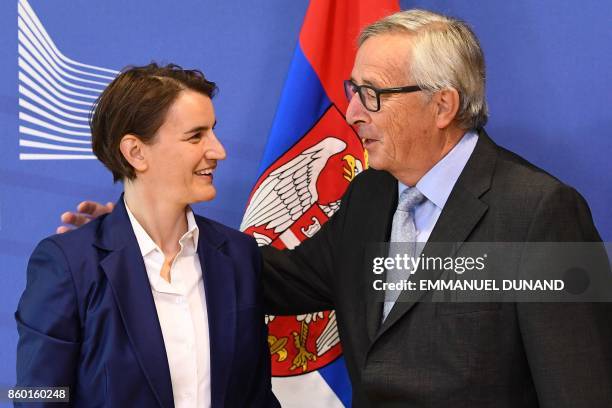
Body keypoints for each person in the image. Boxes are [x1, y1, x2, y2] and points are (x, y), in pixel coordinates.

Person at [58, 10, 612, 408]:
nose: (350, 112)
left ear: (442, 104)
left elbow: (582, 389)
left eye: (371, 94)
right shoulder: (371, 194)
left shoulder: (541, 211)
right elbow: (279, 279)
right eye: (352, 89)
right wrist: (146, 237)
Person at [17, 63, 279, 407]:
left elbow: (256, 397)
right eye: (196, 135)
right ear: (136, 152)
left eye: (213, 131)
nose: (218, 151)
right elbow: (35, 396)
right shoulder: (68, 265)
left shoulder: (238, 255)